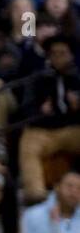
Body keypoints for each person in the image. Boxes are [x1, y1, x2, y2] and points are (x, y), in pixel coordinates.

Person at [16, 35, 80, 203]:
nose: (58, 57)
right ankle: (36, 197)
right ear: (48, 56)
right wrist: (40, 111)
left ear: (71, 55)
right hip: (45, 130)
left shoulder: (78, 76)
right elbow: (25, 109)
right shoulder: (38, 78)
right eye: (54, 53)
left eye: (63, 53)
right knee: (28, 143)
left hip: (73, 129)